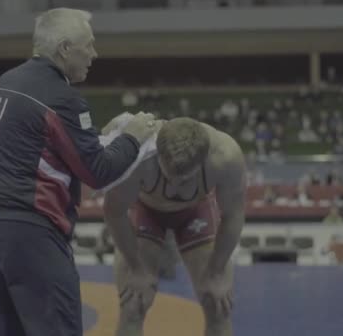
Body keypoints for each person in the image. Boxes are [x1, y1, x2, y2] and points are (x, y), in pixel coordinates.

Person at [0, 8, 158, 336]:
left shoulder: (6, 82)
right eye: (89, 45)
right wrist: (134, 137)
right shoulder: (62, 98)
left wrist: (104, 138)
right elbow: (98, 172)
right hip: (30, 233)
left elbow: (45, 150)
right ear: (65, 49)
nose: (94, 54)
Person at [103, 117, 246, 336]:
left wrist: (217, 272)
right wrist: (137, 268)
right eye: (169, 177)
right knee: (133, 305)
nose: (175, 187)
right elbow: (114, 212)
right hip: (147, 211)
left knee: (217, 305)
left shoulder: (225, 156)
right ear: (156, 154)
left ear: (203, 161)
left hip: (195, 213)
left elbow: (234, 215)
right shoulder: (138, 155)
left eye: (185, 180)